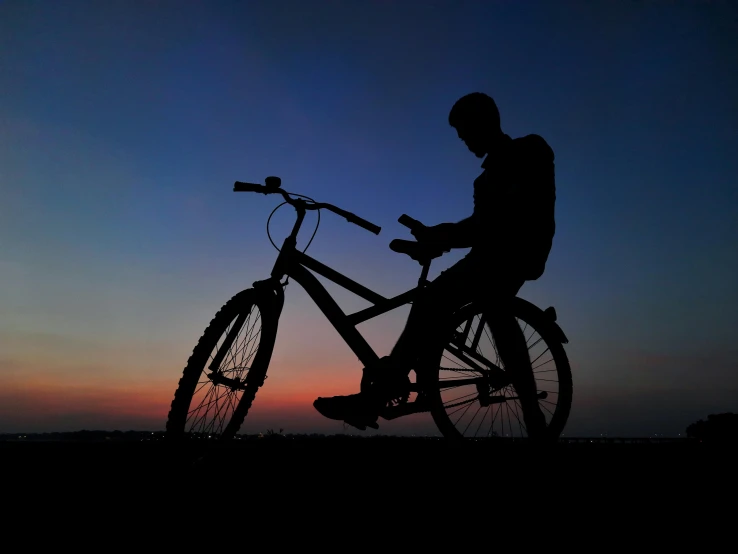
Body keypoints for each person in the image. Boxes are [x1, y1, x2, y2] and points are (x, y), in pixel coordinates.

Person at [313, 92, 555, 437]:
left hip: (517, 251)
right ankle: (412, 376)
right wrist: (437, 234)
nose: (463, 140)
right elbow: (478, 225)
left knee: (453, 303)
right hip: (487, 256)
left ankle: (377, 398)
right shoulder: (483, 181)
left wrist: (443, 235)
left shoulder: (530, 149)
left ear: (484, 123)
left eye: (465, 131)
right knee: (466, 306)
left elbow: (500, 218)